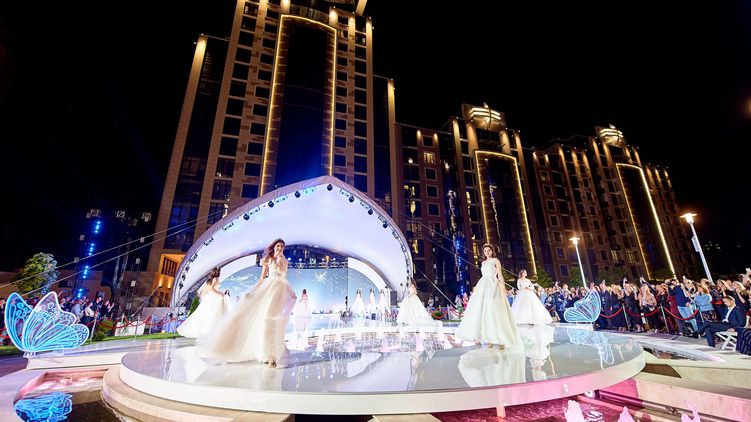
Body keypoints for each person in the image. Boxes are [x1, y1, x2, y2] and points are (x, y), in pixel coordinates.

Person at [199, 239, 296, 368]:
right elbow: (262, 278)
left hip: (281, 290)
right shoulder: (268, 260)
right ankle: (270, 356)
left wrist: (291, 291)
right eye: (278, 245)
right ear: (274, 247)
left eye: (282, 246)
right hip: (269, 289)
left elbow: (284, 276)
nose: (280, 248)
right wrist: (253, 291)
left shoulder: (285, 261)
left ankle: (269, 354)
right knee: (267, 320)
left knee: (275, 321)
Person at [455, 244, 521, 348]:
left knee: (495, 310)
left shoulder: (496, 261)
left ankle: (500, 339)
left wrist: (503, 287)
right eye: (485, 251)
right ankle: (488, 338)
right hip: (483, 286)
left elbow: (500, 275)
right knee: (485, 311)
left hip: (493, 285)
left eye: (489, 250)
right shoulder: (483, 263)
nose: (487, 252)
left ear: (492, 251)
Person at [178, 268, 228, 338]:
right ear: (217, 272)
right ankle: (210, 329)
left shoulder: (212, 279)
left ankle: (210, 330)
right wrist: (219, 293)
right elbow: (211, 288)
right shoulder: (215, 279)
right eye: (219, 271)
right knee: (213, 313)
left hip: (212, 296)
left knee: (209, 313)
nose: (220, 272)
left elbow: (209, 289)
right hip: (214, 297)